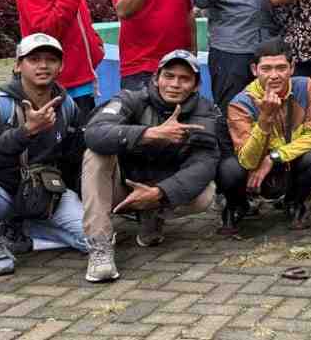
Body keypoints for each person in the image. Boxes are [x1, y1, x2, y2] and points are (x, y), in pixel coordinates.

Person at [0, 34, 88, 277]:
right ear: (18, 65)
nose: (43, 65)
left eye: (51, 59)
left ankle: (23, 235)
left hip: (43, 192)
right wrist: (26, 132)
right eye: (34, 59)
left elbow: (74, 156)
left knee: (95, 239)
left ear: (61, 66)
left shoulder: (67, 106)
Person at [81, 51, 220, 283]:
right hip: (121, 188)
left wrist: (160, 194)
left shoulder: (205, 113)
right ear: (156, 78)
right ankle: (100, 246)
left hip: (159, 191)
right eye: (169, 76)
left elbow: (204, 163)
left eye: (184, 79)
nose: (175, 84)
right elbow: (94, 133)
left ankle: (152, 214)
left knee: (206, 194)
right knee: (95, 154)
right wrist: (147, 134)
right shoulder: (130, 99)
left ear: (196, 86)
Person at [218, 38, 311, 233]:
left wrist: (274, 157)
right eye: (266, 69)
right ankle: (238, 205)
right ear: (254, 70)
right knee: (228, 169)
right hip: (254, 170)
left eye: (281, 68)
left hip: (287, 162)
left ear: (292, 68)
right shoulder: (240, 103)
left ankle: (295, 201)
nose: (274, 75)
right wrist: (265, 119)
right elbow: (248, 160)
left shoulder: (305, 87)